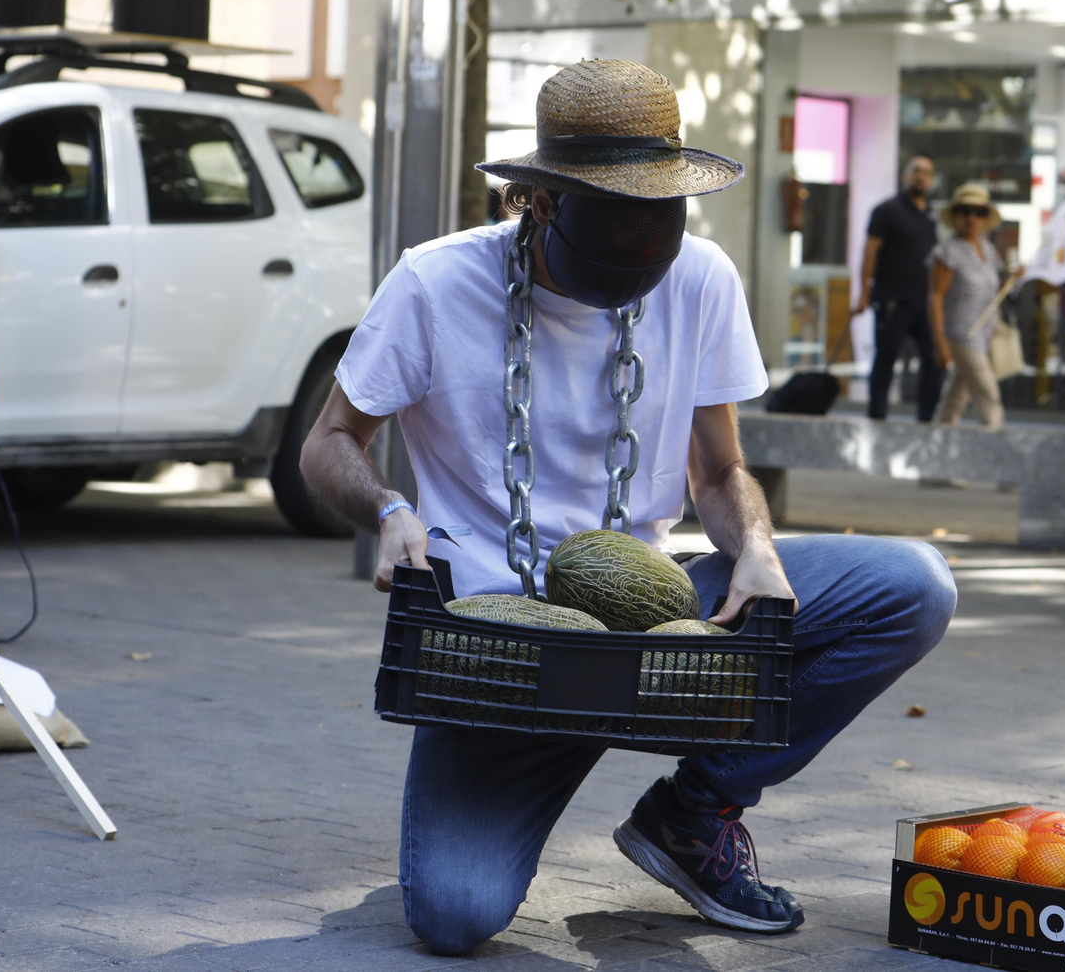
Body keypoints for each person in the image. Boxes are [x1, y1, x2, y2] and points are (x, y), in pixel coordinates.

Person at [299, 60, 956, 954]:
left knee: (913, 587)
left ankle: (690, 817)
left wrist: (755, 548)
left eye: (656, 218)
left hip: (655, 627)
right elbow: (328, 440)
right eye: (608, 220)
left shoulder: (702, 278)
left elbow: (719, 472)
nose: (638, 251)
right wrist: (388, 510)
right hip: (502, 647)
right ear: (537, 199)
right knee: (455, 917)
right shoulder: (433, 284)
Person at [856, 155, 941, 421]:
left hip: (924, 300)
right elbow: (870, 252)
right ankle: (877, 416)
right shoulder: (886, 210)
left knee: (933, 356)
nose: (921, 176)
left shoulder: (931, 215)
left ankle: (927, 418)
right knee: (886, 358)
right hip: (892, 298)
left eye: (927, 172)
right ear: (905, 175)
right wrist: (863, 292)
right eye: (916, 170)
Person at [930, 181, 1011, 430]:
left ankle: (935, 447)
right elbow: (935, 296)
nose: (971, 218)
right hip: (961, 334)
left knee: (955, 397)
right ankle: (995, 449)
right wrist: (939, 342)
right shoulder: (947, 251)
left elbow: (991, 290)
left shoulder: (987, 249)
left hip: (984, 333)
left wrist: (1014, 277)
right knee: (988, 396)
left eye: (979, 212)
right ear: (955, 215)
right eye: (965, 211)